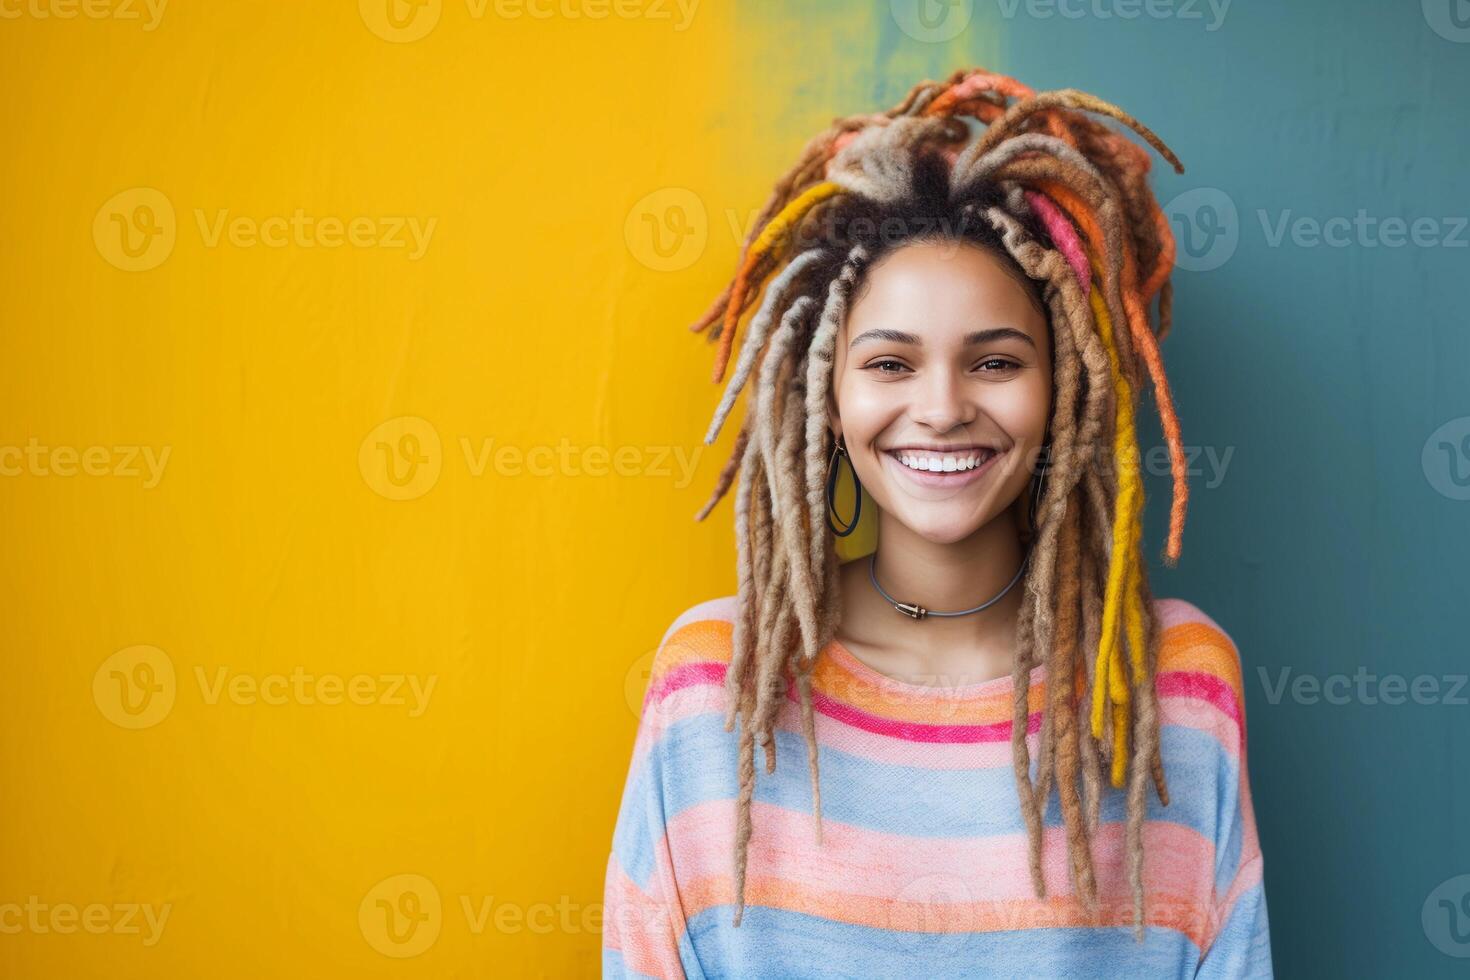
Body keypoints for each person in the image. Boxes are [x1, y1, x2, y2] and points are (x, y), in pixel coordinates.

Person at [602, 67, 1272, 978]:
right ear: (825, 396)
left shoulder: (1172, 689)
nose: (944, 407)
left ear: (1067, 387)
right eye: (890, 364)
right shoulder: (716, 683)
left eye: (995, 362)